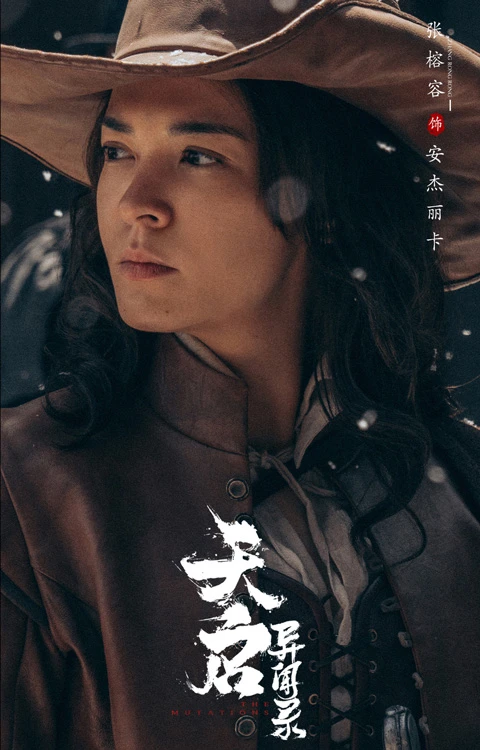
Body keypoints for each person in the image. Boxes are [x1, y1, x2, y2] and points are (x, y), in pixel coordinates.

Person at [1, 1, 479, 749]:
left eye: (198, 156)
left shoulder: (458, 489)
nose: (136, 204)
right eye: (118, 151)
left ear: (324, 202)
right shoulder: (26, 501)